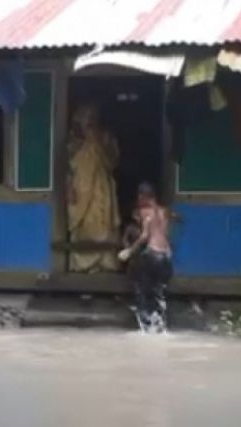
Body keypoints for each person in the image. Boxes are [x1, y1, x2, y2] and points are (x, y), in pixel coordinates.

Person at [66, 105, 121, 273]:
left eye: (93, 120)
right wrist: (69, 188)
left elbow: (113, 161)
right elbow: (68, 168)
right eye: (86, 120)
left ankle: (106, 263)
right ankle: (83, 265)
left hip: (102, 189)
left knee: (104, 224)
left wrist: (99, 143)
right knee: (84, 227)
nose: (90, 124)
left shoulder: (105, 137)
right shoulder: (74, 141)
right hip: (81, 190)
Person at [118, 182, 173, 332]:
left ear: (143, 196)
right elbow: (166, 234)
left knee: (142, 288)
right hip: (166, 256)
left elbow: (144, 236)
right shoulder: (164, 211)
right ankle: (161, 325)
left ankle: (146, 325)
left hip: (152, 253)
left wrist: (129, 251)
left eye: (139, 196)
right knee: (159, 292)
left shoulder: (145, 212)